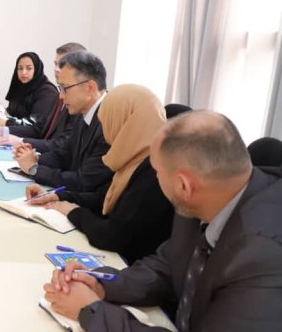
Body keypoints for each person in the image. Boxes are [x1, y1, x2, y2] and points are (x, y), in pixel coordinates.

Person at [43, 111, 282, 331]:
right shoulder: (206, 198)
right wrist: (103, 284)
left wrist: (92, 312)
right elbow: (169, 265)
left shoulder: (264, 255)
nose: (155, 179)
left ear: (183, 185)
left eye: (157, 171)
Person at [26, 84, 174, 264]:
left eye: (107, 122)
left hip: (129, 265)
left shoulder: (154, 169)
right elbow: (102, 198)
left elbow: (112, 235)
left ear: (126, 122)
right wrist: (59, 196)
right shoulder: (133, 156)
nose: (105, 131)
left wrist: (73, 212)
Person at [13, 52, 113, 193]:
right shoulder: (84, 111)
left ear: (90, 88)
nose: (60, 96)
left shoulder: (110, 123)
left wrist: (35, 169)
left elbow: (84, 181)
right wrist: (34, 159)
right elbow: (65, 154)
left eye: (65, 88)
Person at [0, 42, 86, 152]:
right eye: (55, 64)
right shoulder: (59, 97)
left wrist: (20, 141)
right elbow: (40, 129)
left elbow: (60, 145)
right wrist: (3, 131)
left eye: (62, 65)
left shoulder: (51, 93)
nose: (56, 69)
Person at [0, 52, 59, 135]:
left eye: (29, 68)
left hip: (33, 139)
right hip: (17, 134)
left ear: (36, 69)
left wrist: (7, 123)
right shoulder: (20, 86)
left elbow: (36, 127)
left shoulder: (47, 92)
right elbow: (12, 111)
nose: (23, 72)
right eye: (20, 68)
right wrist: (1, 113)